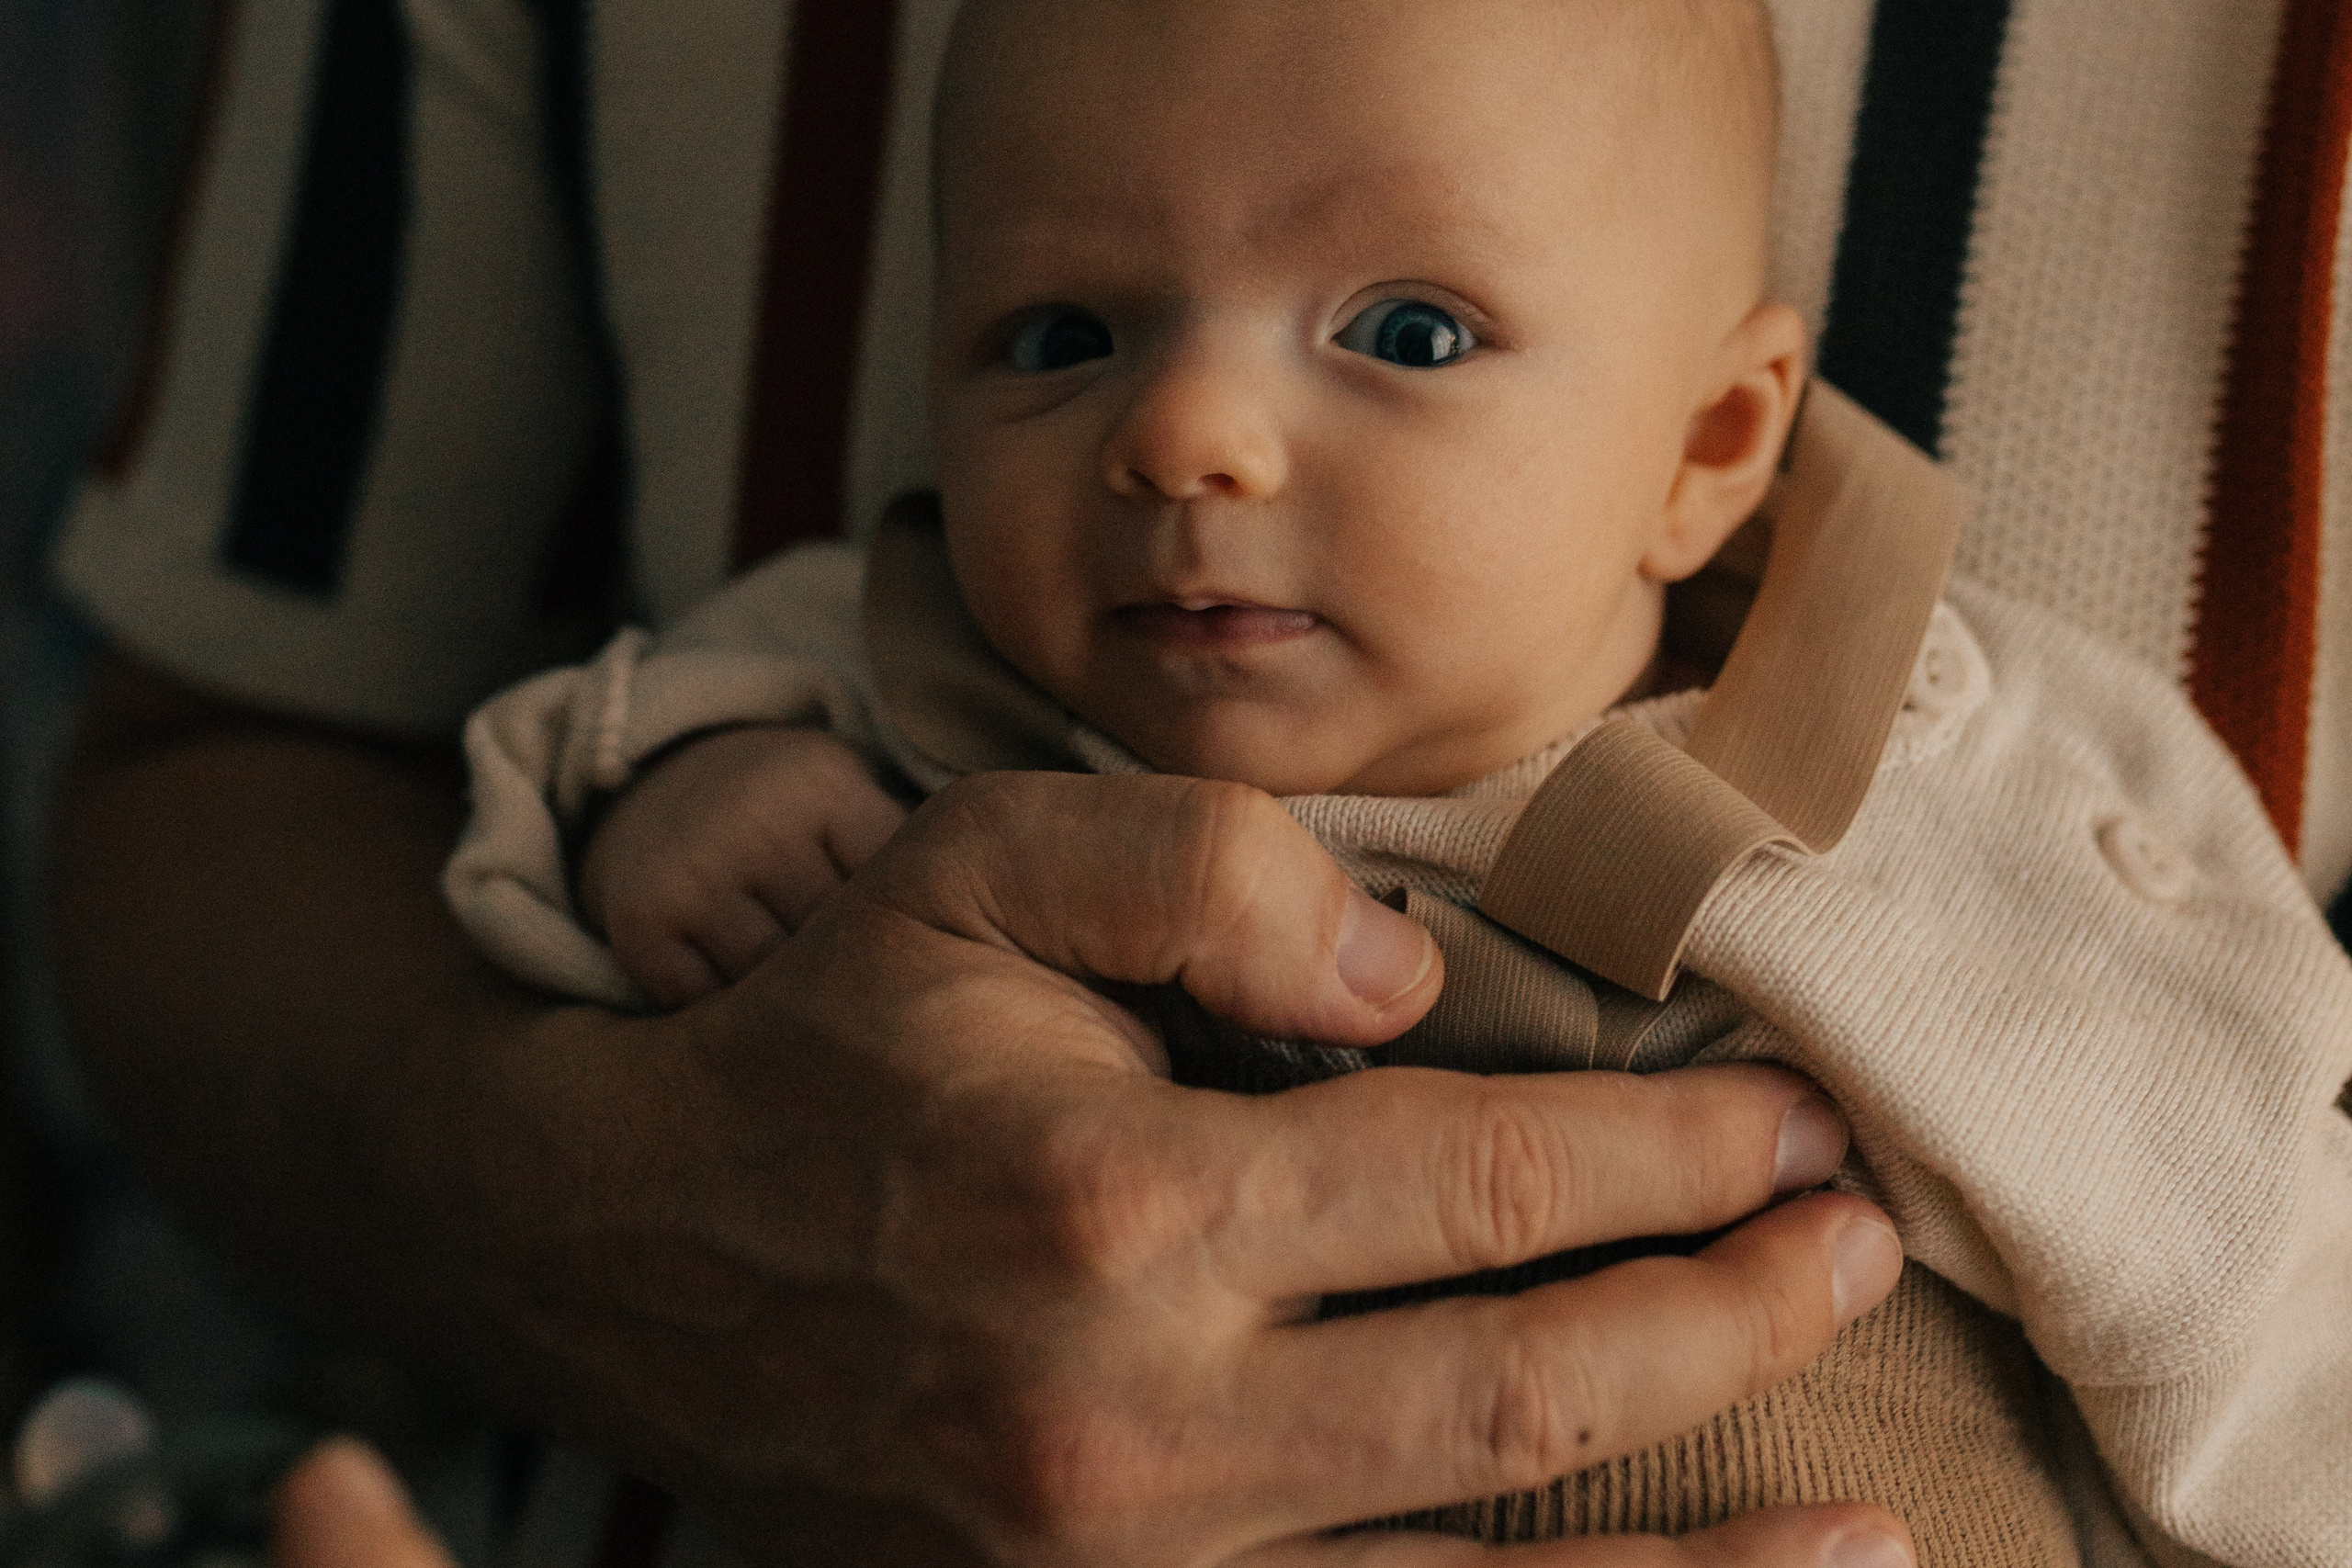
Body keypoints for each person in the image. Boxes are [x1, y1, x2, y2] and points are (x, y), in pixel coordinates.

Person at [41, 0, 2352, 1562]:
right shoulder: (903, 665)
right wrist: (673, 820)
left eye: (1407, 336)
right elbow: (486, 776)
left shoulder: (1926, 775)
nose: (1186, 438)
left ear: (1714, 444)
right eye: (1058, 335)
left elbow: (2236, 1244)